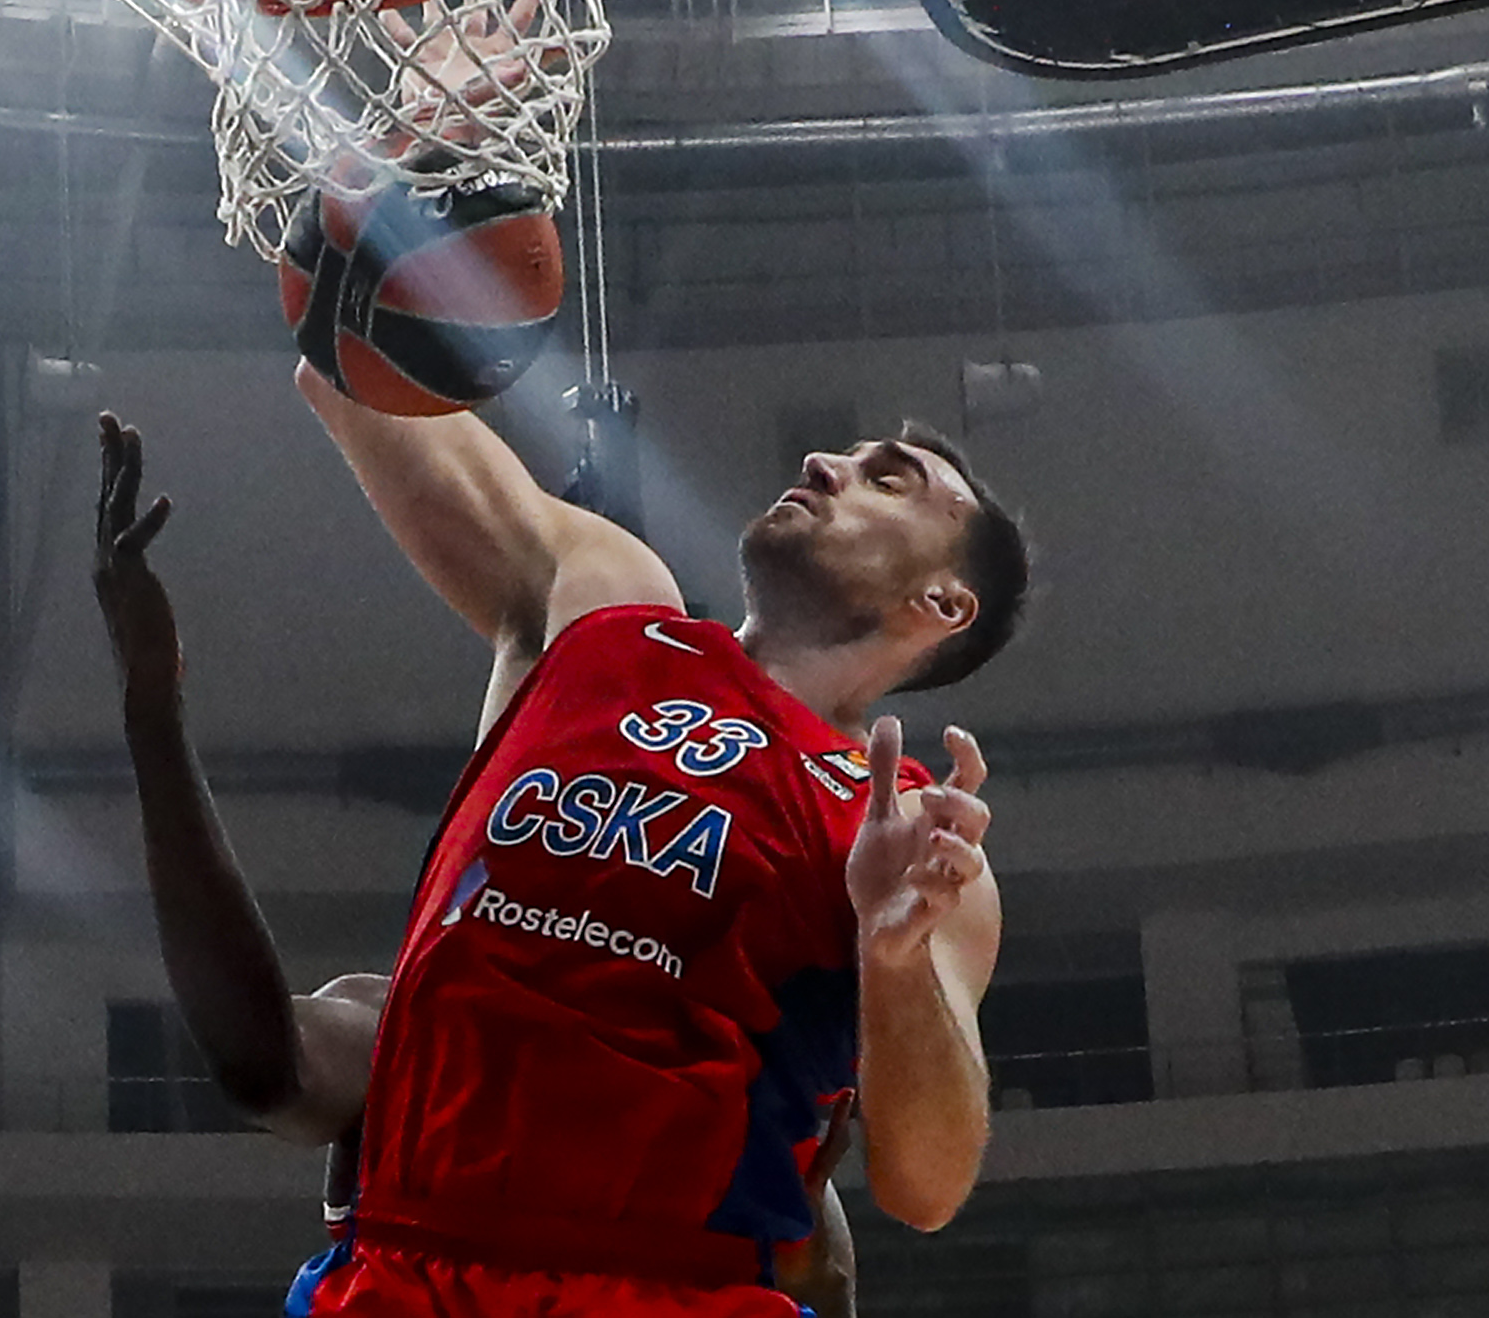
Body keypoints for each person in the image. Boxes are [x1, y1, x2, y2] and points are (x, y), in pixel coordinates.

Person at [94, 377, 1022, 1318]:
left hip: (660, 1283)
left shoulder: (905, 831)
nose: (826, 462)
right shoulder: (607, 611)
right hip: (406, 1270)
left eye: (890, 481)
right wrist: (341, 251)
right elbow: (359, 377)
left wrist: (893, 956)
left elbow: (928, 1185)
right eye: (849, 456)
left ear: (944, 600)